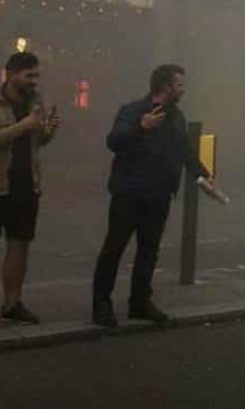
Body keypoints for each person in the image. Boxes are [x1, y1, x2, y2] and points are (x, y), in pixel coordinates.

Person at [91, 64, 213, 327]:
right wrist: (141, 127)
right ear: (166, 86)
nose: (183, 89)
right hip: (129, 193)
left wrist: (203, 176)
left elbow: (185, 151)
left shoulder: (176, 117)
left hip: (159, 195)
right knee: (114, 248)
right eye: (179, 84)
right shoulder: (133, 111)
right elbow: (114, 141)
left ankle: (140, 302)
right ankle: (101, 304)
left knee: (149, 251)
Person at [0, 52, 60, 324]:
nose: (34, 81)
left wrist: (47, 131)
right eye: (29, 75)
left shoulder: (36, 102)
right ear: (12, 74)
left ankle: (12, 303)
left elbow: (36, 142)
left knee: (19, 245)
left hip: (26, 184)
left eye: (36, 75)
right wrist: (22, 126)